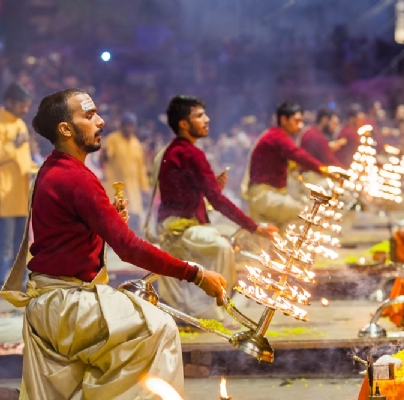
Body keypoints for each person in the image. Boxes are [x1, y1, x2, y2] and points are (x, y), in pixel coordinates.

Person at [0, 88, 226, 399]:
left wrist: (106, 220)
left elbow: (66, 235)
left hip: (53, 303)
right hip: (66, 305)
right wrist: (196, 274)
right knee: (159, 328)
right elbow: (129, 247)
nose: (101, 121)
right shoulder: (75, 177)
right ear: (65, 129)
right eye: (89, 115)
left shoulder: (54, 169)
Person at [152, 95, 277, 322]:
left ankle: (207, 306)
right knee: (222, 247)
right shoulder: (190, 153)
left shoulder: (177, 151)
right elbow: (217, 201)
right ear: (183, 124)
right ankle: (209, 310)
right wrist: (255, 227)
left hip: (179, 225)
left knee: (223, 240)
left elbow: (189, 195)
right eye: (200, 116)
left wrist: (212, 188)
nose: (207, 119)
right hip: (178, 230)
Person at [242, 101, 333, 228]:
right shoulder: (277, 137)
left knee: (286, 229)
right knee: (306, 214)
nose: (300, 125)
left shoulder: (276, 136)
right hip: (265, 197)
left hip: (269, 196)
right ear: (284, 120)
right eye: (296, 121)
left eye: (301, 121)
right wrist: (325, 170)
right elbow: (299, 156)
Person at [0, 82, 33, 294]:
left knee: (21, 243)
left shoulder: (21, 125)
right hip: (5, 193)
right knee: (6, 242)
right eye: (21, 105)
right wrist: (14, 145)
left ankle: (19, 280)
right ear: (9, 102)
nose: (25, 110)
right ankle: (0, 281)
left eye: (27, 105)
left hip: (22, 192)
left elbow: (23, 159)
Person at [102, 112, 149, 235]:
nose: (129, 128)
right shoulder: (112, 139)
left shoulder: (136, 144)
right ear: (121, 126)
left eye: (131, 126)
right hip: (116, 189)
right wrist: (105, 154)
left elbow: (141, 168)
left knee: (134, 222)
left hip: (133, 191)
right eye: (127, 125)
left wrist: (144, 188)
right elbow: (106, 157)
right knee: (115, 220)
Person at [297, 108, 344, 189]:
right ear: (324, 120)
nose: (334, 127)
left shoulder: (310, 131)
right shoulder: (316, 136)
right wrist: (345, 172)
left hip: (306, 176)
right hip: (312, 179)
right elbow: (329, 159)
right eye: (332, 123)